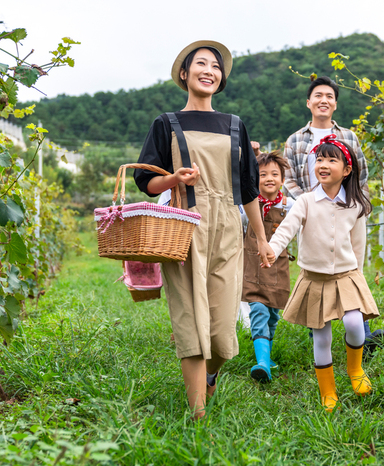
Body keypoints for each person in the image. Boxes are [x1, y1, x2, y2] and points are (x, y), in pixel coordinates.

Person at [133, 40, 274, 420]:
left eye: (215, 66)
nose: (209, 70)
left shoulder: (234, 125)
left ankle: (212, 374)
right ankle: (197, 417)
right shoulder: (166, 123)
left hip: (229, 226)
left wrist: (261, 238)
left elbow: (247, 188)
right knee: (190, 318)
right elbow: (145, 180)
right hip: (184, 225)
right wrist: (173, 178)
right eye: (200, 64)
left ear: (221, 78)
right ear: (184, 74)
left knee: (222, 325)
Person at [263, 135, 379, 412]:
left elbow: (358, 247)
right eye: (320, 159)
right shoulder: (305, 201)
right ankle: (328, 391)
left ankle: (355, 370)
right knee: (322, 336)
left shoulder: (356, 205)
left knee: (354, 323)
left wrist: (359, 280)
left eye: (331, 160)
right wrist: (271, 248)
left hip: (346, 275)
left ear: (347, 170)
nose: (323, 164)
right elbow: (286, 229)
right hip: (314, 278)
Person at [283, 75, 384, 355]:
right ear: (308, 102)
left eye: (329, 96)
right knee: (315, 270)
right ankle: (320, 328)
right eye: (318, 95)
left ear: (335, 104)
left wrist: (355, 202)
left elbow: (361, 173)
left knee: (351, 266)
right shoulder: (294, 140)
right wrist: (306, 202)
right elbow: (288, 177)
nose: (323, 100)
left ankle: (361, 334)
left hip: (345, 211)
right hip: (312, 214)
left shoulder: (348, 137)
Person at [240, 150, 294, 383]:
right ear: (254, 179)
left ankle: (267, 356)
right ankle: (261, 362)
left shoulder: (289, 206)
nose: (269, 178)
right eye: (263, 174)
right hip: (252, 269)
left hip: (278, 269)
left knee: (272, 315)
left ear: (282, 179)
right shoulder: (246, 209)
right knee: (259, 311)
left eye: (275, 174)